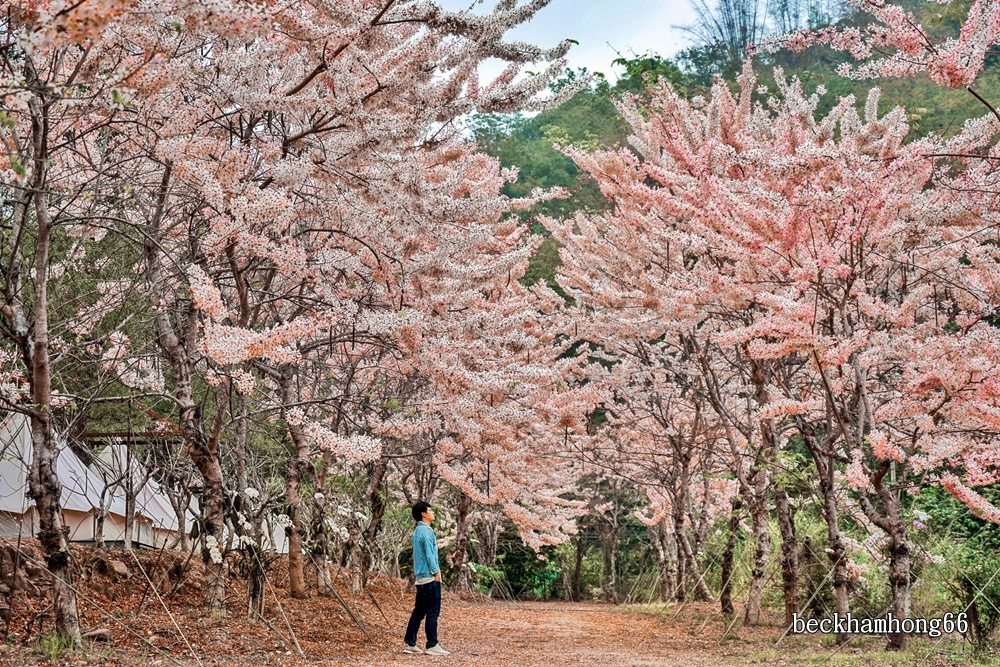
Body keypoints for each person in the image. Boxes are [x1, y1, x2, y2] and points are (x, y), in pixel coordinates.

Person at [404, 501, 450, 655]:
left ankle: (410, 642)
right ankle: (432, 645)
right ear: (423, 514)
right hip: (429, 577)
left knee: (418, 611)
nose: (433, 512)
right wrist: (436, 572)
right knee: (432, 612)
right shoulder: (427, 531)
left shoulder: (417, 531)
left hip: (420, 577)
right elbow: (430, 555)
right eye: (430, 510)